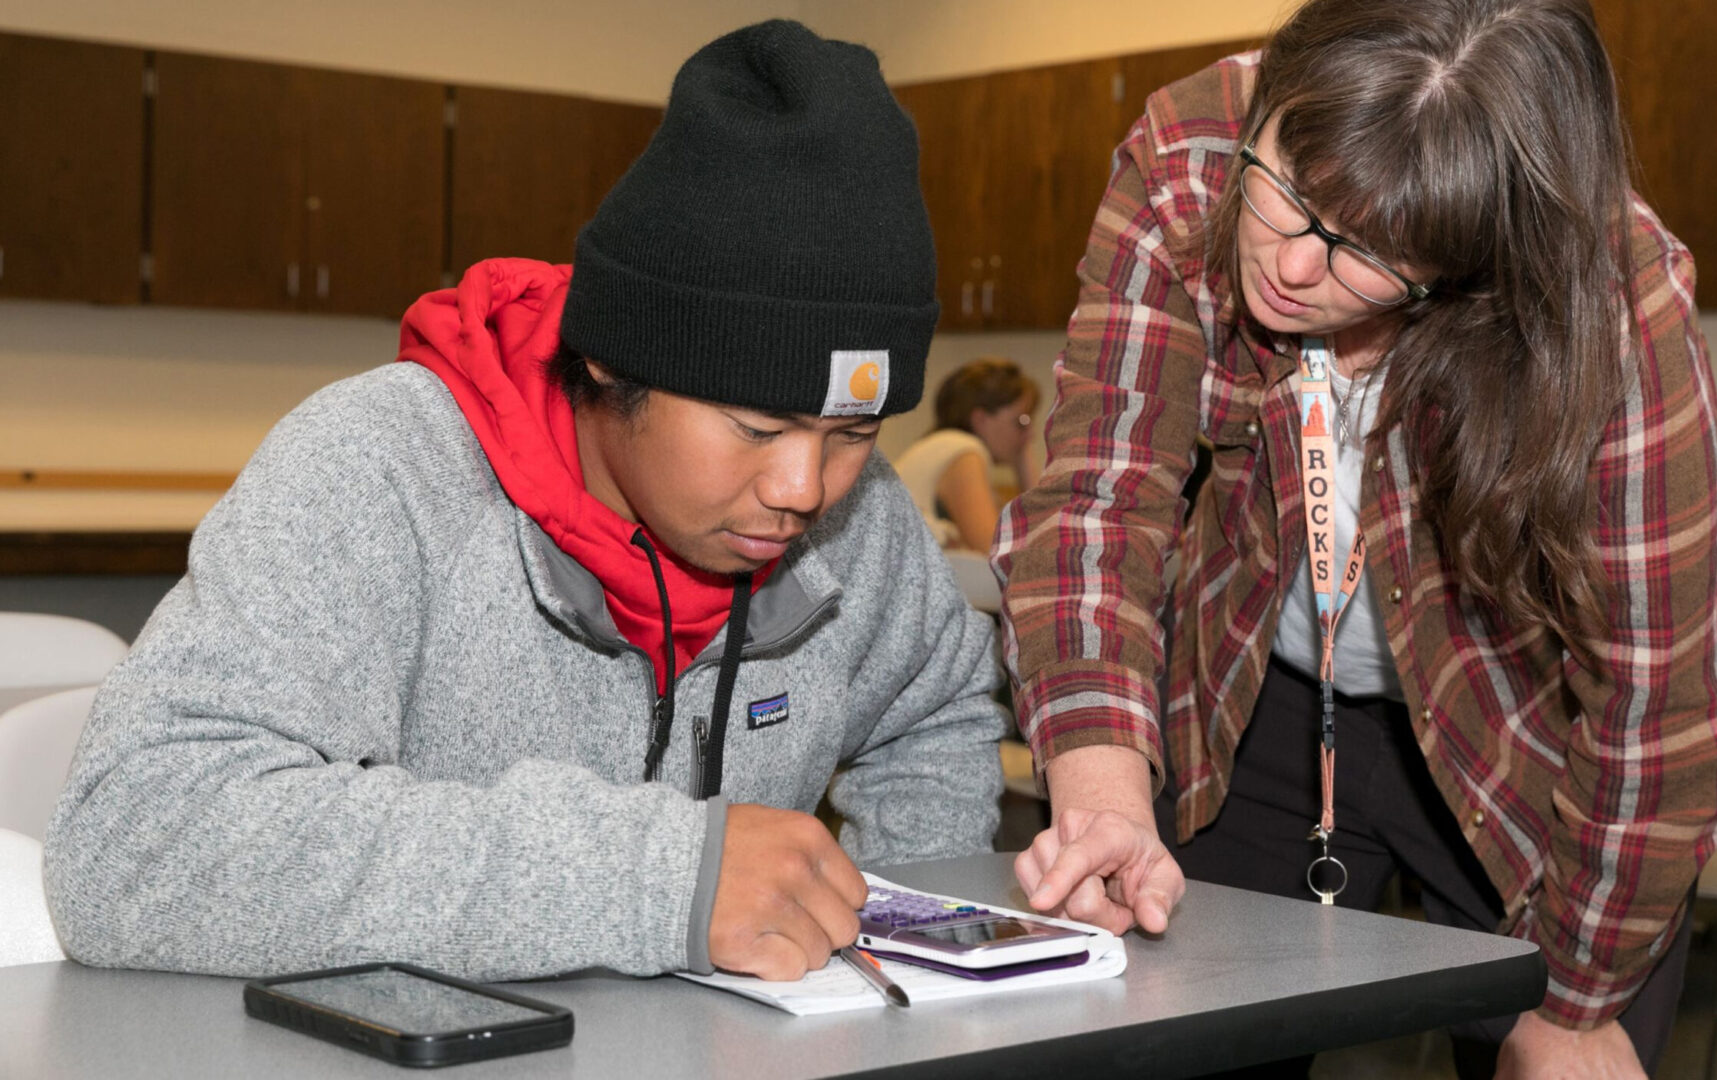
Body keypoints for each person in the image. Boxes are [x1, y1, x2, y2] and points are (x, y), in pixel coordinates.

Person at [44, 20, 1005, 986]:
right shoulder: (382, 469)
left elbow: (938, 707)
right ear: (609, 356)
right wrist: (653, 881)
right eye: (756, 427)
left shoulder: (861, 521)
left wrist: (891, 948)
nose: (805, 489)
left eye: (852, 433)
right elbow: (133, 839)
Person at [991, 1, 1717, 1077]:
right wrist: (1102, 803)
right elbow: (1099, 503)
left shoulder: (1604, 295)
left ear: (1464, 265)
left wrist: (1576, 1000)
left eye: (1368, 254)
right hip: (1250, 707)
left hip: (1527, 740)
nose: (1296, 271)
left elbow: (1668, 696)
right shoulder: (1190, 153)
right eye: (1288, 191)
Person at [892, 357, 1039, 552]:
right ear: (980, 419)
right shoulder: (962, 451)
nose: (1031, 434)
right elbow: (997, 554)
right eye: (1022, 421)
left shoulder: (942, 446)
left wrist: (1022, 454)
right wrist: (1024, 457)